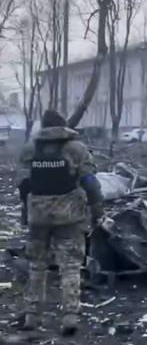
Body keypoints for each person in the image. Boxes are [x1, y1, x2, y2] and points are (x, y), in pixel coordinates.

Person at [16, 109, 104, 336]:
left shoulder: (30, 149)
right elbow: (91, 183)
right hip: (70, 216)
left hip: (38, 217)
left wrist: (27, 212)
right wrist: (97, 212)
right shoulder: (76, 149)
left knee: (36, 266)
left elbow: (23, 185)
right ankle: (70, 316)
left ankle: (31, 316)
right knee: (71, 266)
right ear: (64, 125)